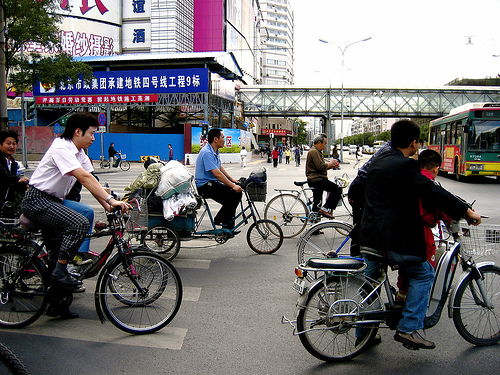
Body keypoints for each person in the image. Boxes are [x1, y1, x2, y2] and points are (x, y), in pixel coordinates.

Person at [359, 120, 481, 350]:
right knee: (424, 273)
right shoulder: (405, 166)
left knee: (369, 284)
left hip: (369, 234)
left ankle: (362, 334)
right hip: (390, 237)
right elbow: (432, 190)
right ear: (414, 143)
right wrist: (466, 211)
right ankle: (408, 328)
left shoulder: (379, 160)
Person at [21, 113, 131, 299]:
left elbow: (92, 181)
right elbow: (84, 178)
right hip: (37, 200)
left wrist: (109, 205)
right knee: (78, 222)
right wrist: (110, 201)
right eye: (91, 133)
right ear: (78, 132)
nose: (94, 138)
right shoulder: (61, 148)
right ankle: (62, 270)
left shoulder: (80, 154)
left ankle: (58, 304)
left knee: (84, 214)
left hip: (53, 202)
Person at [396, 149, 451, 301]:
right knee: (425, 274)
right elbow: (443, 206)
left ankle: (402, 296)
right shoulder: (429, 183)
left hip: (398, 232)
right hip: (420, 233)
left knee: (407, 269)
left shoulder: (409, 177)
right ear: (436, 168)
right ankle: (412, 319)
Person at [195, 128, 242, 229]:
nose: (224, 140)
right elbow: (217, 174)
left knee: (235, 194)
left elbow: (219, 167)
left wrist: (232, 180)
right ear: (215, 139)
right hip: (204, 185)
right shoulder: (207, 152)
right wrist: (233, 185)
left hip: (211, 183)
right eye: (223, 138)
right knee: (233, 194)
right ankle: (221, 221)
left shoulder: (214, 151)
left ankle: (226, 224)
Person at [305, 134, 341, 219]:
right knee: (337, 189)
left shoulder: (316, 151)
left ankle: (314, 226)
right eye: (324, 144)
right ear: (318, 142)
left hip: (316, 179)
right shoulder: (314, 151)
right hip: (317, 180)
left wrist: (330, 166)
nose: (325, 146)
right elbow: (320, 167)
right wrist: (330, 163)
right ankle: (325, 208)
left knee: (317, 202)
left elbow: (320, 167)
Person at [0, 130, 29, 217]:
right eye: (8, 143)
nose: (12, 146)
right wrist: (18, 179)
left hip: (7, 204)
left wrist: (23, 185)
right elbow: (3, 174)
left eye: (14, 144)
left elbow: (12, 184)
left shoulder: (13, 163)